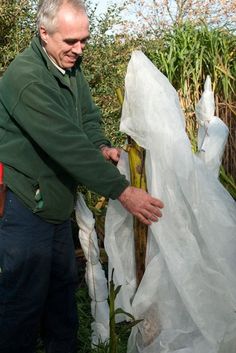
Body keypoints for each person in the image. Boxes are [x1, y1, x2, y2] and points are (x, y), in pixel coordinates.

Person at [0, 0, 164, 352]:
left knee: (62, 293)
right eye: (71, 41)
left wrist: (101, 144)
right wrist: (123, 191)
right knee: (23, 301)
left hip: (56, 202)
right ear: (44, 34)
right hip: (27, 203)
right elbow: (68, 146)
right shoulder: (26, 79)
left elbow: (86, 117)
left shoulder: (70, 67)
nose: (80, 49)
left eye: (84, 40)